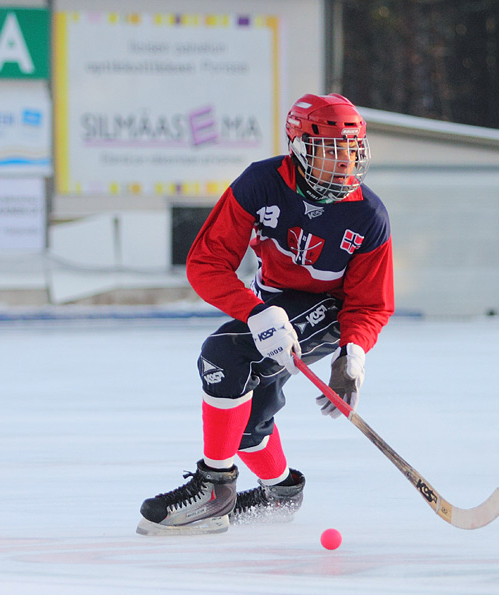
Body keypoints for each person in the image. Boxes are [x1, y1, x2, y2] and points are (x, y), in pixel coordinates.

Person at [137, 93, 394, 535]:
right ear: (297, 147)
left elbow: (370, 303)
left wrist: (352, 354)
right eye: (329, 152)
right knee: (243, 416)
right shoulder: (261, 182)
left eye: (351, 151)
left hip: (329, 311)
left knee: (224, 354)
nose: (343, 164)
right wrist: (255, 311)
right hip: (272, 302)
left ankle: (215, 487)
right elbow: (206, 263)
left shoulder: (369, 215)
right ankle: (280, 492)